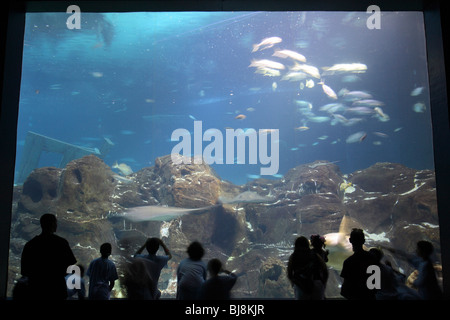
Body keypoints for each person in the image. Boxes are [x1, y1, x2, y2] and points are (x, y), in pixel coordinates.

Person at [20, 213, 77, 299]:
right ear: (53, 224)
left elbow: (24, 271)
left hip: (36, 290)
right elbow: (71, 266)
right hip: (57, 289)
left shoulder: (30, 244)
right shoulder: (61, 243)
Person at [340, 228, 377, 300]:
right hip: (370, 297)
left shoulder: (349, 262)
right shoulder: (373, 259)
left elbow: (345, 289)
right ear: (364, 241)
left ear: (350, 240)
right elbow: (376, 283)